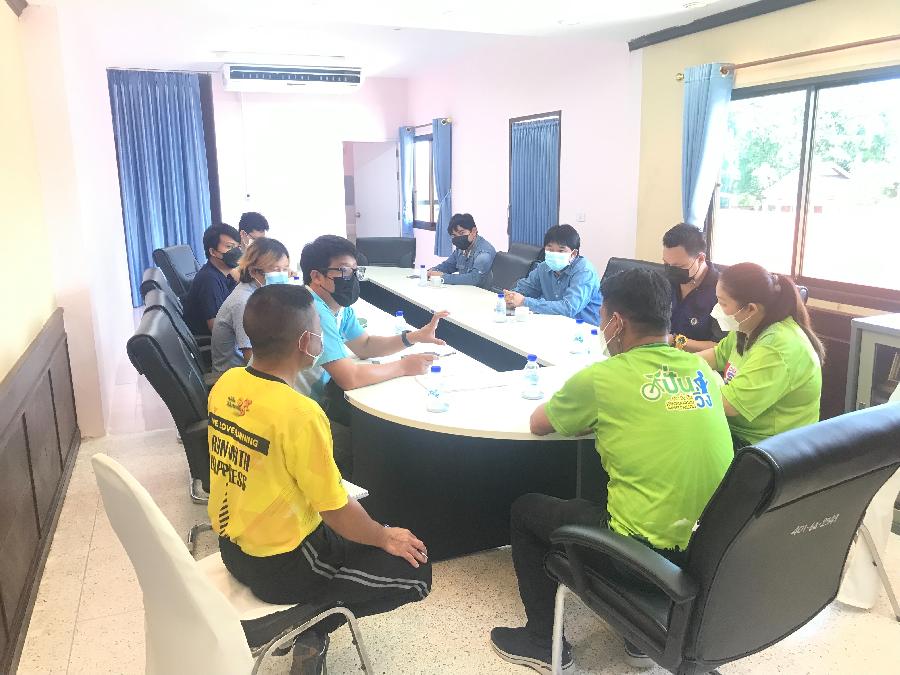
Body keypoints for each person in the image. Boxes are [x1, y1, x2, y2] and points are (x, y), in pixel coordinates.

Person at [490, 268, 733, 673]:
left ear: (616, 322)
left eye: (603, 316)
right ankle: (639, 638)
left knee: (526, 509)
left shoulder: (603, 378)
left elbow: (539, 423)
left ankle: (541, 641)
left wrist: (598, 416)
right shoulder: (701, 372)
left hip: (641, 559)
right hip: (708, 553)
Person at [208, 284, 431, 673]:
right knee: (415, 572)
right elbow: (335, 510)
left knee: (367, 519)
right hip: (285, 565)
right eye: (319, 328)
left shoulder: (227, 384)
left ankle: (308, 627)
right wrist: (383, 537)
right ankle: (303, 626)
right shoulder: (300, 412)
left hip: (233, 548)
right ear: (307, 341)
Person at [298, 235, 447, 473]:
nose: (352, 278)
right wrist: (404, 366)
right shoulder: (313, 310)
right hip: (296, 414)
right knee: (367, 451)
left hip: (315, 402)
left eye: (355, 271)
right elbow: (350, 378)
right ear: (316, 276)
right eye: (344, 271)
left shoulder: (336, 305)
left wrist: (413, 337)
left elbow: (365, 345)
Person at [698, 262, 824, 449]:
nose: (717, 308)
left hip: (766, 447)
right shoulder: (747, 327)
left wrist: (686, 389)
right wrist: (677, 365)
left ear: (751, 309)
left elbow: (729, 404)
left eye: (723, 303)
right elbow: (718, 355)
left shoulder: (778, 347)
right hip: (735, 432)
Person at [210, 238, 291, 380]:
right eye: (275, 269)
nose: (282, 274)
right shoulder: (245, 302)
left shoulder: (259, 293)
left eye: (285, 269)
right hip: (234, 379)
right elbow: (251, 358)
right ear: (253, 271)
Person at [504, 224, 602, 325]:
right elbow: (525, 289)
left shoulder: (584, 271)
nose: (555, 254)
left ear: (573, 254)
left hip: (586, 327)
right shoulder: (543, 267)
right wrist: (511, 297)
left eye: (561, 251)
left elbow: (569, 308)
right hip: (555, 323)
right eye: (550, 250)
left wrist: (524, 302)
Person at [662, 223, 724, 353]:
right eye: (666, 264)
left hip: (699, 360)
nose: (671, 271)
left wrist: (675, 341)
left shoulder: (722, 291)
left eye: (679, 267)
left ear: (700, 258)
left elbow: (722, 347)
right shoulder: (665, 282)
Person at [182, 223, 241, 335]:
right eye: (229, 247)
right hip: (211, 341)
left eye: (237, 247)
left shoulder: (225, 273)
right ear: (213, 252)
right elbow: (217, 329)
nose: (236, 252)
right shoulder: (209, 280)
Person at [428, 213, 496, 288]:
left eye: (462, 233)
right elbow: (448, 265)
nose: (458, 238)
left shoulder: (484, 253)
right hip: (464, 290)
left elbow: (474, 279)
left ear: (473, 231)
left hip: (481, 293)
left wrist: (442, 277)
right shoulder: (461, 248)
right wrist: (432, 271)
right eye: (454, 235)